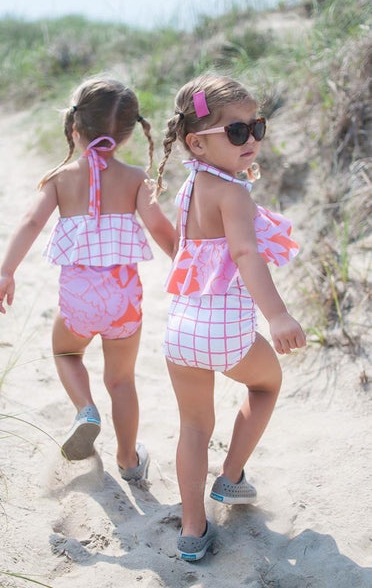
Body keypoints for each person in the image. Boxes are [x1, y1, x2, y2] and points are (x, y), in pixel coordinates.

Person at [0, 76, 175, 482]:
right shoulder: (134, 180)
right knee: (122, 379)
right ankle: (129, 460)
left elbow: (30, 221)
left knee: (66, 354)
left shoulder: (59, 180)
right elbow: (161, 229)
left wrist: (7, 272)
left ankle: (85, 410)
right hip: (124, 301)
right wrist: (187, 263)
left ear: (74, 128)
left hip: (79, 300)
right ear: (127, 136)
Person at [155, 74, 306, 560]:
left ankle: (193, 530)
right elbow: (245, 255)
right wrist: (278, 315)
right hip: (224, 330)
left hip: (180, 330)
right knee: (265, 385)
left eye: (256, 126)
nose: (252, 140)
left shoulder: (190, 187)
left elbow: (188, 253)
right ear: (197, 142)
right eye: (237, 133)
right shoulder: (232, 193)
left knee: (193, 427)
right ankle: (232, 476)